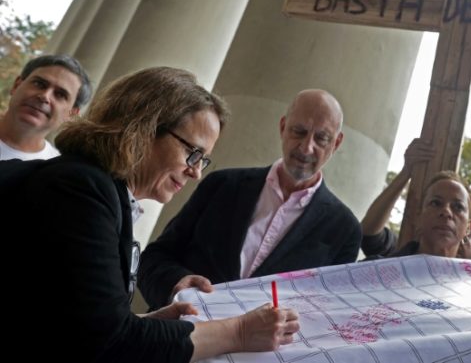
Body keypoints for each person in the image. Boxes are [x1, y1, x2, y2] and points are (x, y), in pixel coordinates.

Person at [10, 67, 299, 363]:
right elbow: (109, 343)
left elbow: (76, 320)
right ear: (145, 127)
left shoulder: (100, 190)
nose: (196, 172)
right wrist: (238, 332)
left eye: (203, 159)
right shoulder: (80, 190)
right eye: (193, 152)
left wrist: (149, 324)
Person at [138, 89, 362, 310]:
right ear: (283, 127)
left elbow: (328, 316)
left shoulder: (345, 230)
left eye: (322, 138)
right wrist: (175, 286)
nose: (306, 147)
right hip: (176, 337)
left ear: (337, 143)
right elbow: (155, 258)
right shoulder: (221, 185)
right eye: (299, 131)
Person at [363, 168, 471, 282]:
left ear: (469, 228)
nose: (446, 212)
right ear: (418, 216)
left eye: (457, 207)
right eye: (436, 203)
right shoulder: (371, 273)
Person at [0, 54, 91, 160]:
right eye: (39, 84)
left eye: (60, 94)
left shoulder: (54, 170)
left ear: (71, 114)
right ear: (16, 86)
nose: (44, 96)